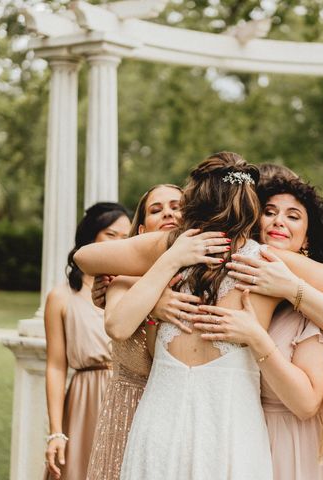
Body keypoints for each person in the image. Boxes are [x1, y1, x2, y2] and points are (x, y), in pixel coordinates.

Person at [75, 152, 323, 479]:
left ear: (194, 201)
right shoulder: (265, 259)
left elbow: (84, 256)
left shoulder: (176, 246)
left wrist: (169, 256)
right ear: (251, 207)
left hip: (177, 423)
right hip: (223, 426)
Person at [194, 173, 323, 479]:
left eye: (293, 216)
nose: (279, 221)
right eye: (269, 212)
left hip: (294, 446)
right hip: (239, 440)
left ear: (306, 239)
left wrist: (291, 287)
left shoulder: (317, 302)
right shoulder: (227, 283)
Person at [85, 184, 186, 480]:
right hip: (126, 411)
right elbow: (117, 326)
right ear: (141, 230)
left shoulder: (201, 281)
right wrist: (153, 305)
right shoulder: (120, 280)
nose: (168, 212)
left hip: (177, 413)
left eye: (176, 206)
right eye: (157, 209)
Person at [44, 202, 131, 480]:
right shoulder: (61, 297)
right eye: (110, 235)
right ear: (89, 238)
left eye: (126, 238)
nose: (119, 244)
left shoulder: (135, 288)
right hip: (83, 400)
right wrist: (56, 431)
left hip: (127, 393)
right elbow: (56, 367)